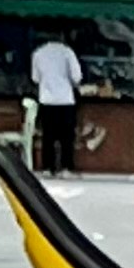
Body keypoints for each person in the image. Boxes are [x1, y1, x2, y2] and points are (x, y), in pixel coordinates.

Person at [28, 31, 84, 174]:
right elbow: (77, 76)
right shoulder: (67, 52)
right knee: (67, 137)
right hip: (65, 99)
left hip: (46, 99)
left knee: (48, 136)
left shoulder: (38, 53)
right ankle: (66, 167)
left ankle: (48, 167)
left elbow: (35, 78)